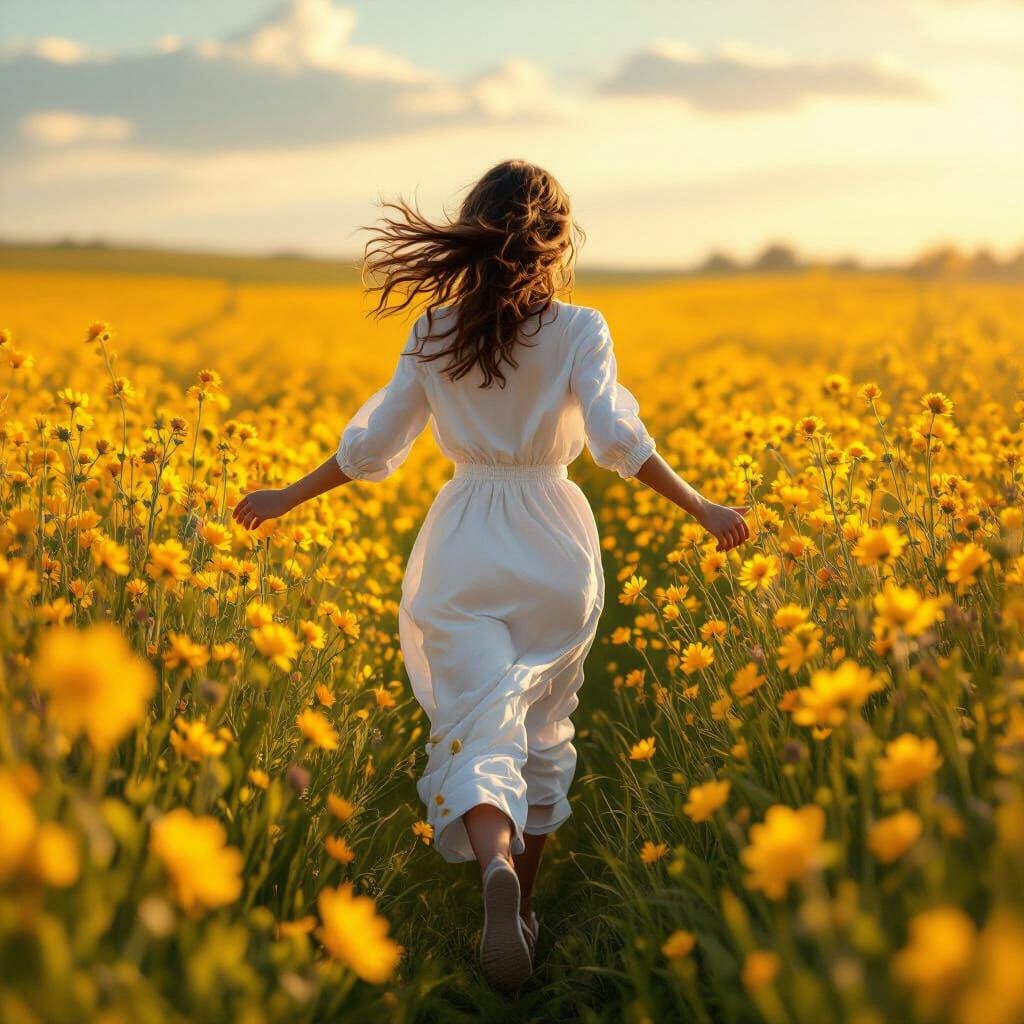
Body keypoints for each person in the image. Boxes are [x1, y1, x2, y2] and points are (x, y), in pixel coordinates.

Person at [233, 159, 750, 992]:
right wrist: (703, 507)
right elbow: (617, 438)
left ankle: (493, 864)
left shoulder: (435, 330)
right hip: (555, 543)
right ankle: (524, 909)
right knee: (543, 728)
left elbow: (374, 448)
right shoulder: (581, 328)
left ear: (473, 230)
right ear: (557, 241)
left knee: (479, 724)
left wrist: (285, 496)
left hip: (465, 540)